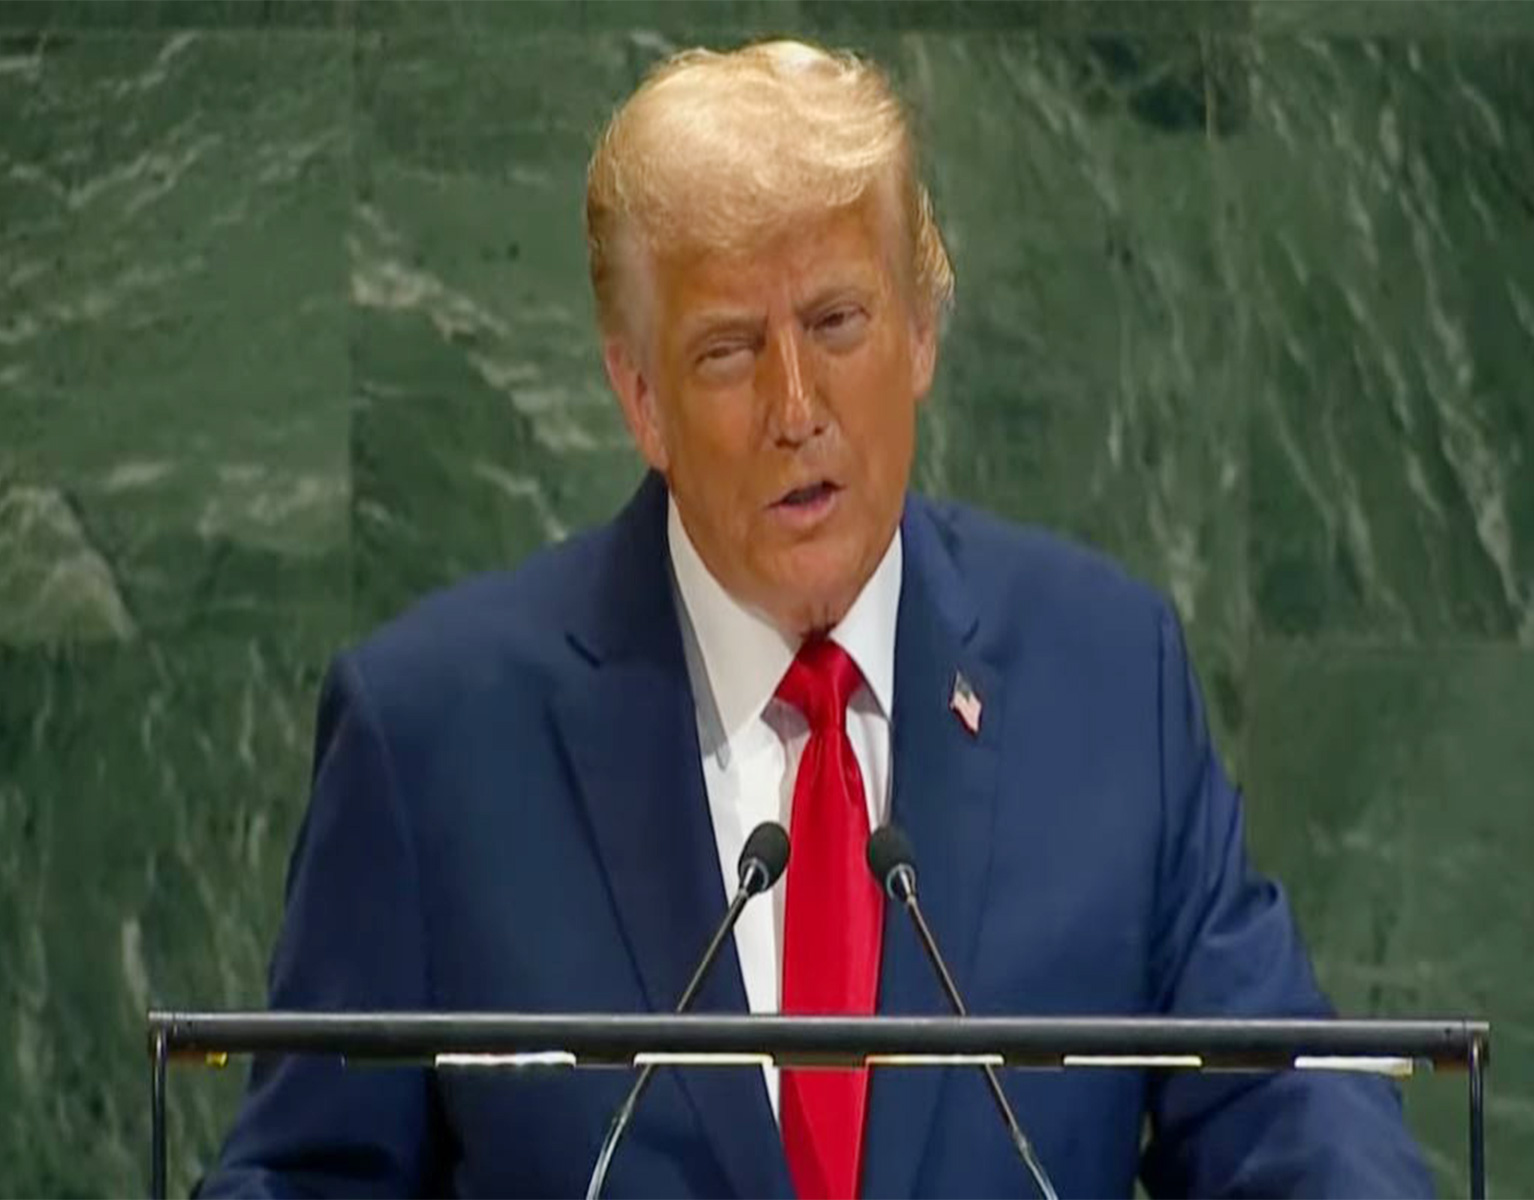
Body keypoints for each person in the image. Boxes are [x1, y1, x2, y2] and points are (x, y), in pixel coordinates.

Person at [201, 39, 1432, 1198]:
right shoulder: (434, 738)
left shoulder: (1106, 678)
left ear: (920, 333)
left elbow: (1282, 1103)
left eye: (837, 324)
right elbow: (304, 1174)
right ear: (638, 395)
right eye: (730, 350)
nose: (798, 407)